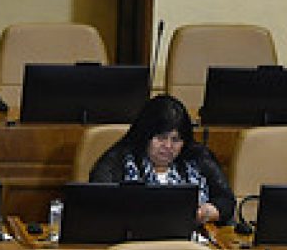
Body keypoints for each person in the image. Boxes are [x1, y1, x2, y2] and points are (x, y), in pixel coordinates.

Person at [89, 94, 235, 224]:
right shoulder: (117, 160)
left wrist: (205, 212)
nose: (168, 146)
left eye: (176, 140)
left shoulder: (198, 158)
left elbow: (226, 201)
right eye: (161, 138)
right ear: (145, 136)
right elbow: (98, 205)